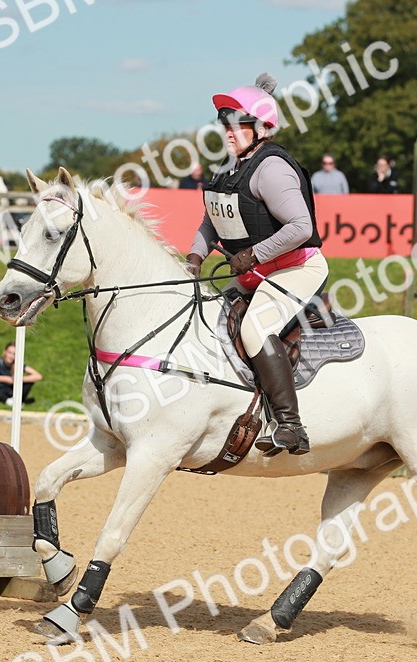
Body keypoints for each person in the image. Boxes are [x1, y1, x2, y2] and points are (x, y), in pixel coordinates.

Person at [186, 73, 328, 456]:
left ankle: (290, 426)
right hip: (254, 273)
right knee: (203, 318)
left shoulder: (272, 169)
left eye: (237, 123)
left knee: (254, 329)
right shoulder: (226, 169)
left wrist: (254, 254)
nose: (228, 132)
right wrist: (195, 256)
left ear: (262, 127)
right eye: (224, 124)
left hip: (295, 268)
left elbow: (301, 227)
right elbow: (210, 219)